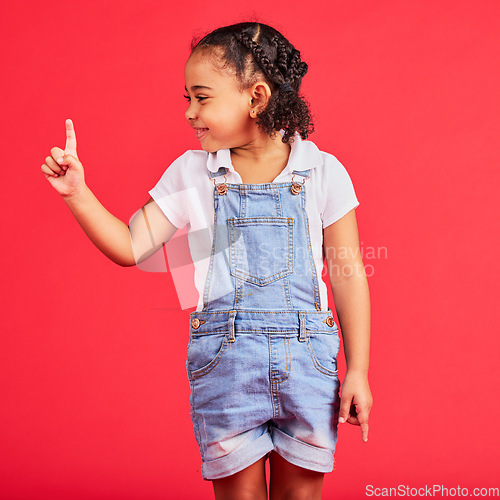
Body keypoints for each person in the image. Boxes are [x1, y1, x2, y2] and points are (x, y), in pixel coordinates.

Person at [41, 21, 372, 500]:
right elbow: (132, 247)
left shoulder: (322, 172)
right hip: (227, 365)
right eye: (186, 98)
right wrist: (78, 194)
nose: (189, 113)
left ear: (256, 98)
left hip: (309, 364)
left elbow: (347, 275)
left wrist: (357, 370)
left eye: (201, 98)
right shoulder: (191, 173)